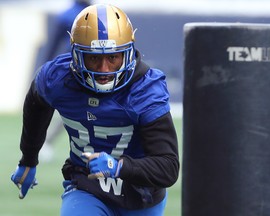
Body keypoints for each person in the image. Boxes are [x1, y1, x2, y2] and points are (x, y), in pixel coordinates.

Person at [11, 3, 179, 216]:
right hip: (86, 187)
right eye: (93, 58)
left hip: (140, 196)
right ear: (76, 55)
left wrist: (119, 167)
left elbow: (168, 167)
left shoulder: (145, 90)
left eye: (112, 57)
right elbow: (36, 104)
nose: (104, 69)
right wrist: (28, 159)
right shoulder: (57, 78)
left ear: (127, 54)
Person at [33, 0, 94, 162]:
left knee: (82, 107)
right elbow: (53, 44)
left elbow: (52, 45)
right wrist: (45, 68)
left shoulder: (96, 13)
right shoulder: (68, 15)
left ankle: (46, 142)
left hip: (92, 69)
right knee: (71, 106)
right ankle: (43, 142)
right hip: (73, 69)